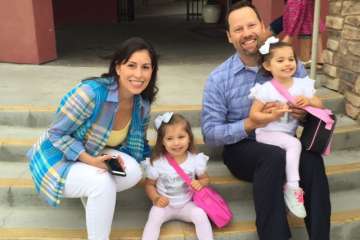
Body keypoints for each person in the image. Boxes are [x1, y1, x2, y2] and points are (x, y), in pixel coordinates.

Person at [201, 1, 331, 240]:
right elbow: (210, 133)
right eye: (238, 29)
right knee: (272, 157)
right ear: (229, 37)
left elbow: (312, 108)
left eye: (251, 25)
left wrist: (302, 114)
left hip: (283, 138)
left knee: (312, 161)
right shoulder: (219, 78)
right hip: (242, 147)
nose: (247, 33)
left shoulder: (289, 64)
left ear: (263, 26)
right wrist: (251, 123)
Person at [27, 37, 159, 240]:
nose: (139, 74)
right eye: (131, 65)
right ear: (118, 67)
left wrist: (160, 168)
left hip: (94, 150)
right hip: (56, 155)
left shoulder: (141, 105)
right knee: (102, 184)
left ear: (152, 71)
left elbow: (140, 144)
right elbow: (56, 134)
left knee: (133, 172)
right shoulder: (91, 93)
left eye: (146, 67)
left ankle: (92, 195)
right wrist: (91, 161)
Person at [249, 37, 324, 219]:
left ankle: (287, 195)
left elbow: (320, 105)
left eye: (291, 59)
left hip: (286, 134)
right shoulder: (265, 89)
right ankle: (292, 187)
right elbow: (253, 116)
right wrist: (271, 116)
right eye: (280, 60)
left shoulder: (301, 85)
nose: (287, 64)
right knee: (294, 145)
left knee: (292, 149)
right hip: (267, 133)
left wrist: (308, 101)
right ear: (268, 66)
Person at [142, 112, 213, 240]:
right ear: (162, 142)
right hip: (165, 206)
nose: (176, 143)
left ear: (189, 137)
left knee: (200, 214)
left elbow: (205, 178)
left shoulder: (195, 160)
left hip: (187, 205)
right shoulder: (158, 162)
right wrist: (156, 198)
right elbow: (149, 184)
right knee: (154, 217)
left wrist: (200, 183)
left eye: (181, 137)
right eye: (169, 138)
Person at [282, 0, 325, 67]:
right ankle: (274, 56)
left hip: (305, 3)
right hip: (299, 3)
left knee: (314, 24)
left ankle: (317, 59)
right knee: (292, 32)